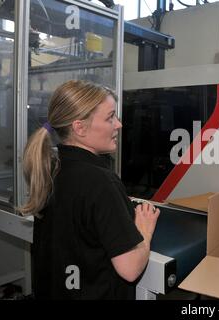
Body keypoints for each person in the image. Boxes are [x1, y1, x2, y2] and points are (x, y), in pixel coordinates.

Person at [20, 80, 160, 299]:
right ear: (79, 127)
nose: (119, 125)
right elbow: (130, 269)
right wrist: (144, 230)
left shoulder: (53, 169)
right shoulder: (101, 182)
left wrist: (114, 203)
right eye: (110, 117)